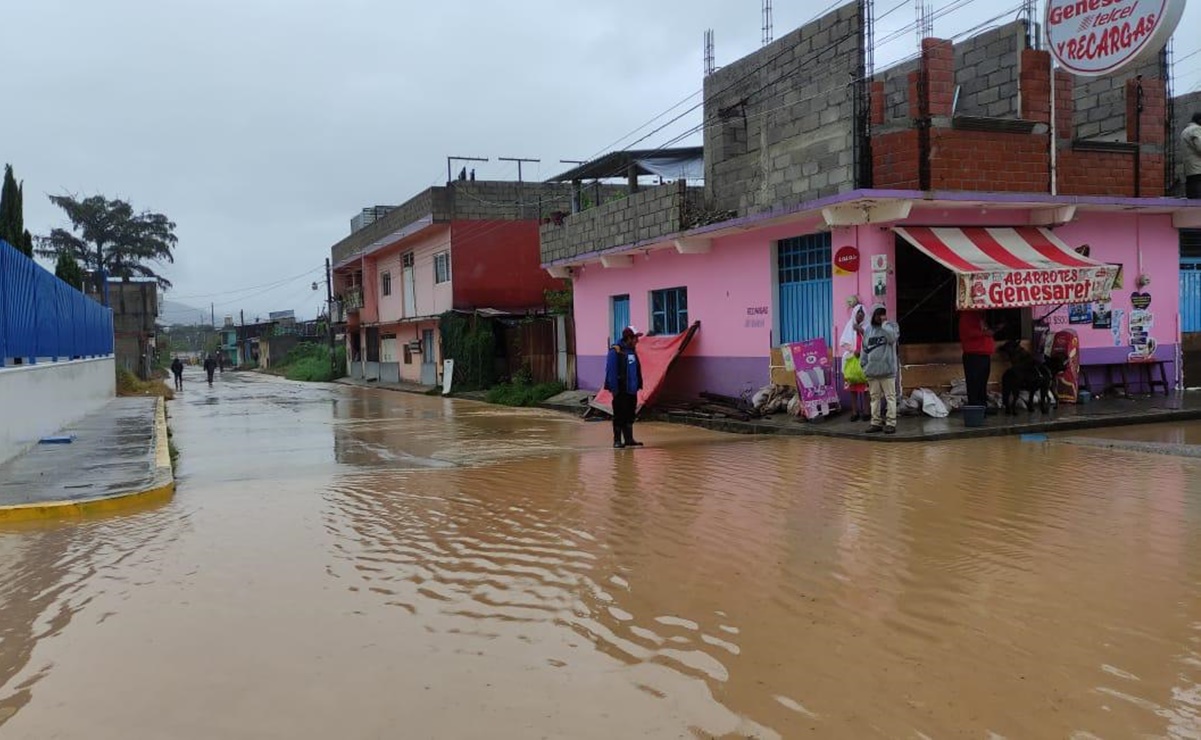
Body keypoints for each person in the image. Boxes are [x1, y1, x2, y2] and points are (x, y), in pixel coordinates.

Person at [861, 304, 900, 434]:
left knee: (890, 397)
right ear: (873, 315)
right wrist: (864, 366)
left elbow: (892, 338)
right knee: (874, 398)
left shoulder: (892, 327)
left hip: (888, 371)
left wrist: (885, 324)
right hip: (872, 372)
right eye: (877, 314)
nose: (880, 317)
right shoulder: (868, 330)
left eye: (882, 313)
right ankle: (875, 422)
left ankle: (890, 423)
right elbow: (864, 349)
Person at [604, 326, 645, 449]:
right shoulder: (616, 350)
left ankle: (629, 439)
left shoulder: (632, 351)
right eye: (635, 338)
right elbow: (611, 371)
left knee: (630, 414)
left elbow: (636, 369)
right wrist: (615, 389)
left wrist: (638, 385)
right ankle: (617, 440)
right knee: (619, 415)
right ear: (629, 338)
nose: (637, 341)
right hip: (620, 390)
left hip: (632, 390)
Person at [959, 309, 1002, 409]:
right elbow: (968, 332)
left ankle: (982, 406)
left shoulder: (981, 316)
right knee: (974, 384)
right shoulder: (967, 315)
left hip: (984, 354)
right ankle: (975, 407)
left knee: (982, 384)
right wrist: (985, 333)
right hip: (974, 354)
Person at [839, 303, 869, 421]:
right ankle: (854, 412)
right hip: (851, 360)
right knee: (853, 388)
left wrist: (861, 330)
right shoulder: (849, 325)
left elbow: (871, 340)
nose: (860, 315)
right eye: (858, 313)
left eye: (862, 313)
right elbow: (843, 342)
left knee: (866, 388)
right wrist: (853, 350)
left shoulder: (868, 326)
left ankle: (867, 412)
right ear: (854, 314)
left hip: (865, 360)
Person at [1184, 111, 1201, 200]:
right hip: (1199, 170)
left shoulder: (1185, 130)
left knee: (1192, 201)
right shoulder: (1196, 129)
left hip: (1190, 170)